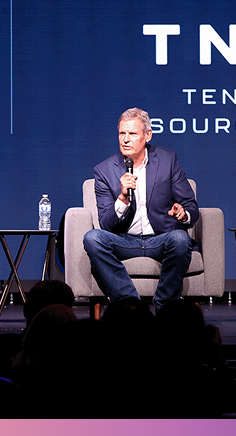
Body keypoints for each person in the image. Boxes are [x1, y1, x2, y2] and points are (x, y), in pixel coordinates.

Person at [84, 107, 198, 309]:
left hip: (160, 238)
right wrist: (122, 198)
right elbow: (106, 224)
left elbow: (191, 206)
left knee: (180, 239)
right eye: (122, 133)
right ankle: (131, 306)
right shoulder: (104, 170)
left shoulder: (167, 160)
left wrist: (182, 214)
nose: (125, 140)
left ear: (147, 135)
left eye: (132, 134)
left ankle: (164, 306)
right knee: (92, 238)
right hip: (124, 240)